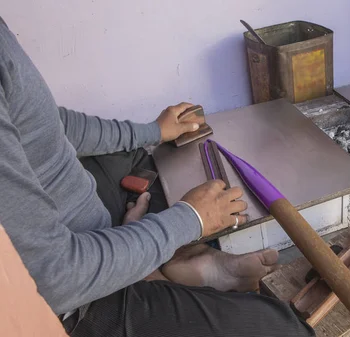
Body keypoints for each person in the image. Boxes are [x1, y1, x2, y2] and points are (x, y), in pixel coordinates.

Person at [0, 16, 314, 337]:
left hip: (74, 228)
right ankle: (156, 278)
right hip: (74, 304)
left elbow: (48, 124)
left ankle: (180, 263)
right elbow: (55, 279)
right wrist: (189, 218)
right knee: (284, 329)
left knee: (146, 164)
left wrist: (153, 131)